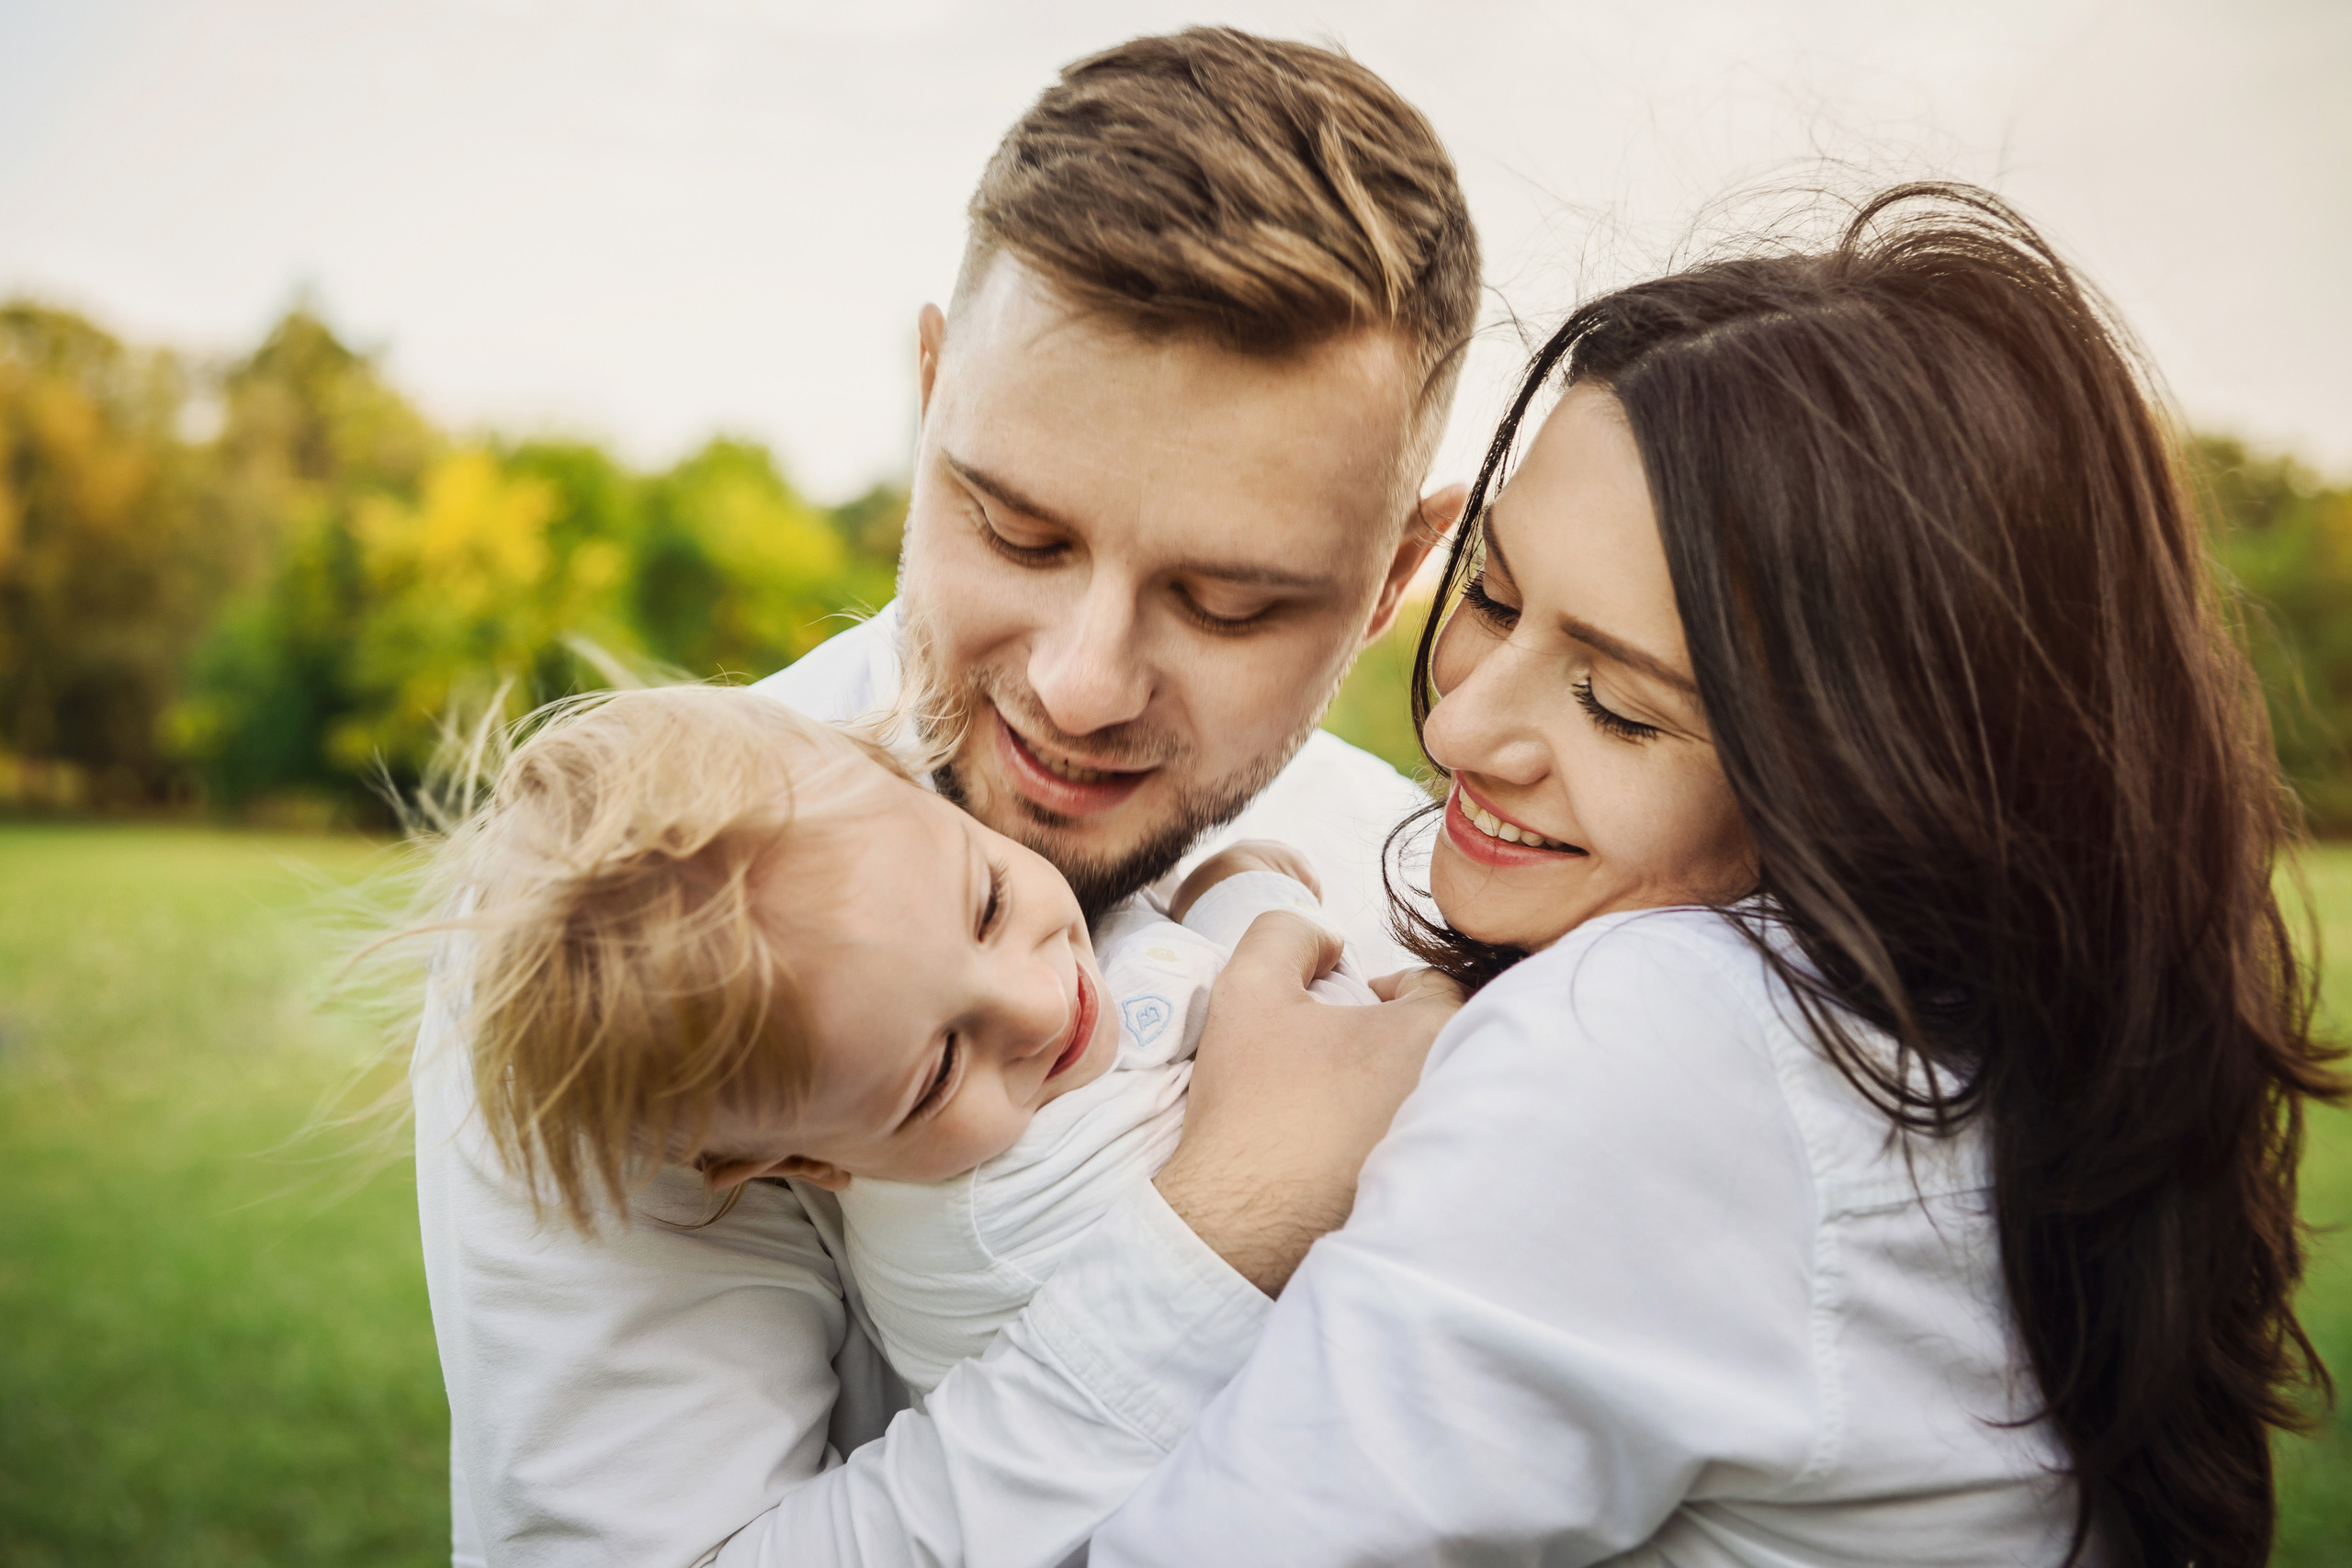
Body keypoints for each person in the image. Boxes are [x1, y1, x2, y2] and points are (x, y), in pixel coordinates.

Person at [1090, 185, 2342, 1566]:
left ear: (1872, 775)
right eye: (1495, 595)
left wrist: (1216, 1222)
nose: (1455, 724)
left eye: (1619, 704)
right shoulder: (1995, 1054)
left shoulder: (1655, 1037)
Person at [412, 28, 1481, 1568]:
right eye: (1016, 528)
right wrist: (1224, 1230)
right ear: (928, 399)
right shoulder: (645, 944)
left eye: (1231, 603)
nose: (1081, 682)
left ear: (1394, 572)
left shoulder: (1414, 877)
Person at [413, 684, 1377, 1402]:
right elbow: (1307, 1046)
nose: (1040, 1006)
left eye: (989, 901)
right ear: (799, 1161)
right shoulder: (1012, 1211)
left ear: (912, 785)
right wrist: (1252, 902)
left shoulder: (957, 1106)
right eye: (940, 1068)